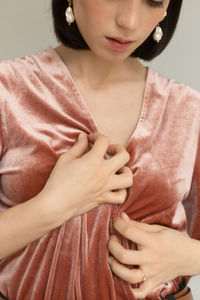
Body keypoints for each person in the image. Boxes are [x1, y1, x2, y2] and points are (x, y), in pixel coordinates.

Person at [0, 0, 199, 299]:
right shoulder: (8, 92)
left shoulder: (189, 110)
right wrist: (51, 207)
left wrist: (191, 255)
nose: (129, 22)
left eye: (154, 0)